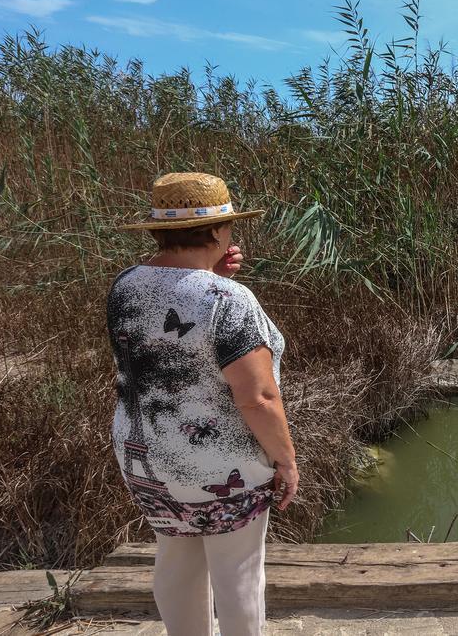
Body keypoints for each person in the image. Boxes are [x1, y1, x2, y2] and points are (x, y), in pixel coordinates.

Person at [109, 172, 298, 635]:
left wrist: (210, 271)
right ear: (216, 232)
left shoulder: (127, 284)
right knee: (239, 573)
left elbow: (172, 324)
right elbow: (257, 397)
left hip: (147, 451)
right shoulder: (229, 300)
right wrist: (286, 461)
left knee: (176, 554)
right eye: (229, 226)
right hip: (220, 462)